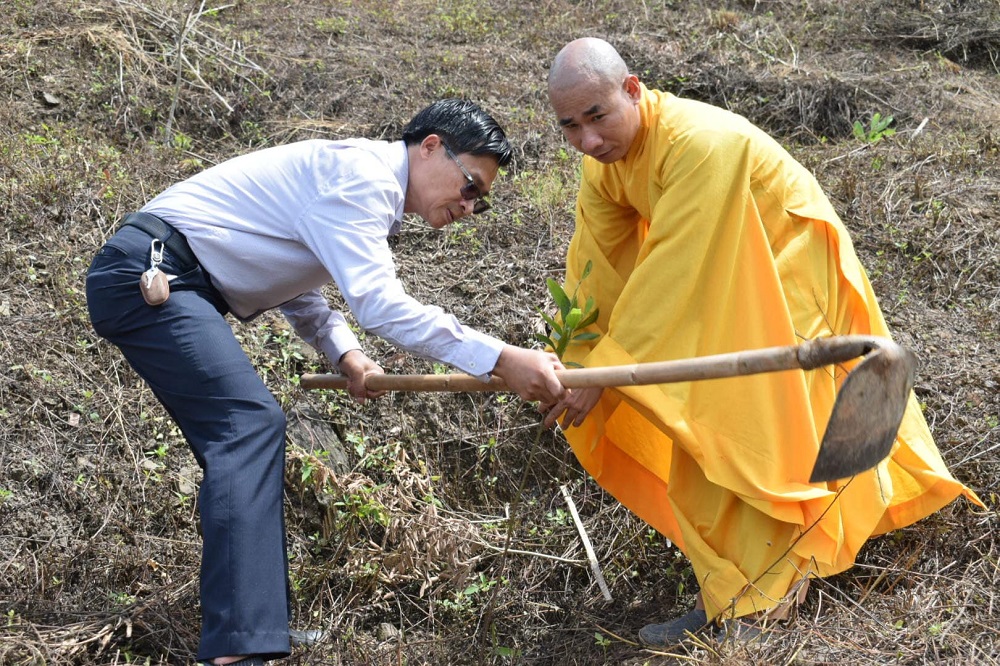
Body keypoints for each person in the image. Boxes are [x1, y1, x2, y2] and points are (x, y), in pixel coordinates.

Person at [85, 98, 567, 666]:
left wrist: (346, 355)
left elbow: (291, 276)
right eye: (469, 186)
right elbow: (380, 304)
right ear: (431, 145)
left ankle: (256, 627)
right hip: (151, 274)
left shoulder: (360, 187)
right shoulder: (361, 177)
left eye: (479, 200)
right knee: (247, 427)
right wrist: (500, 358)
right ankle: (241, 646)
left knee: (245, 437)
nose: (469, 205)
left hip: (178, 277)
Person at [541, 38, 982, 646]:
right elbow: (597, 270)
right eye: (570, 126)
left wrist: (606, 373)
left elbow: (677, 268)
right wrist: (579, 361)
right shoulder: (604, 165)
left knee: (755, 420)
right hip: (720, 272)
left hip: (783, 269)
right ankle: (738, 589)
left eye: (598, 116)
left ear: (634, 89)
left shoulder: (699, 143)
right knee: (705, 427)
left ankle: (763, 601)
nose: (588, 140)